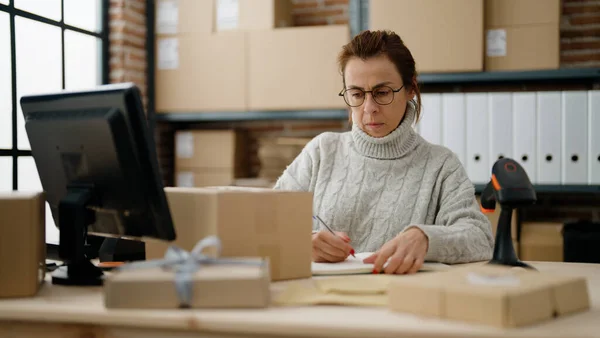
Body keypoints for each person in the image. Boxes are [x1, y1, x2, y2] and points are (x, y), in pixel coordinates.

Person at [273, 30, 494, 274]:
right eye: (356, 94)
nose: (369, 108)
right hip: (321, 302)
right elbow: (266, 222)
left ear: (410, 89)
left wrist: (426, 238)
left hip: (401, 305)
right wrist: (302, 240)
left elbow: (481, 238)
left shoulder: (441, 165)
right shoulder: (322, 151)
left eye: (382, 93)